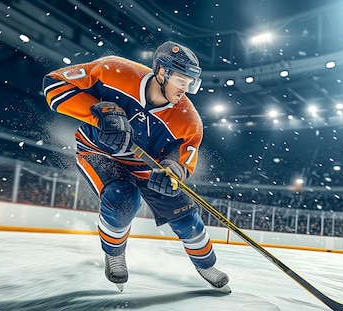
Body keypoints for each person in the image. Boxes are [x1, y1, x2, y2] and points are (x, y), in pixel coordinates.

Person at [42, 41, 229, 291]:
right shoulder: (113, 70)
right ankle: (114, 253)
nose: (185, 88)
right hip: (99, 152)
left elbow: (184, 159)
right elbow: (53, 84)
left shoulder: (189, 120)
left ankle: (206, 265)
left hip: (147, 168)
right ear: (161, 72)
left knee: (187, 218)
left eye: (190, 81)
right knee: (122, 199)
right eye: (181, 79)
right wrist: (99, 113)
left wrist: (173, 171)